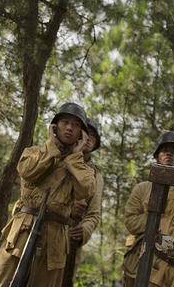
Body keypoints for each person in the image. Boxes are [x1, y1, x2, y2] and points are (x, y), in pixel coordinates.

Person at [0, 101, 96, 287]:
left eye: (76, 125)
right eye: (65, 122)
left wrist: (75, 157)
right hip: (22, 233)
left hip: (55, 241)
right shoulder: (32, 153)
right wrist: (52, 149)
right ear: (54, 127)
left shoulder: (82, 168)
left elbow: (86, 190)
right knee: (0, 282)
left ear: (81, 135)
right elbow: (29, 172)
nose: (69, 128)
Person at [122, 130, 174, 287]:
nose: (169, 154)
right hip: (141, 262)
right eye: (165, 150)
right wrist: (155, 220)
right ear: (157, 156)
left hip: (173, 271)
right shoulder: (142, 189)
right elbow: (130, 222)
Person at [62, 116, 104, 286]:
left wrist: (83, 230)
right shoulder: (60, 158)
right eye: (86, 133)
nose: (88, 138)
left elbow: (94, 213)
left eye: (93, 135)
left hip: (71, 239)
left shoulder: (96, 174)